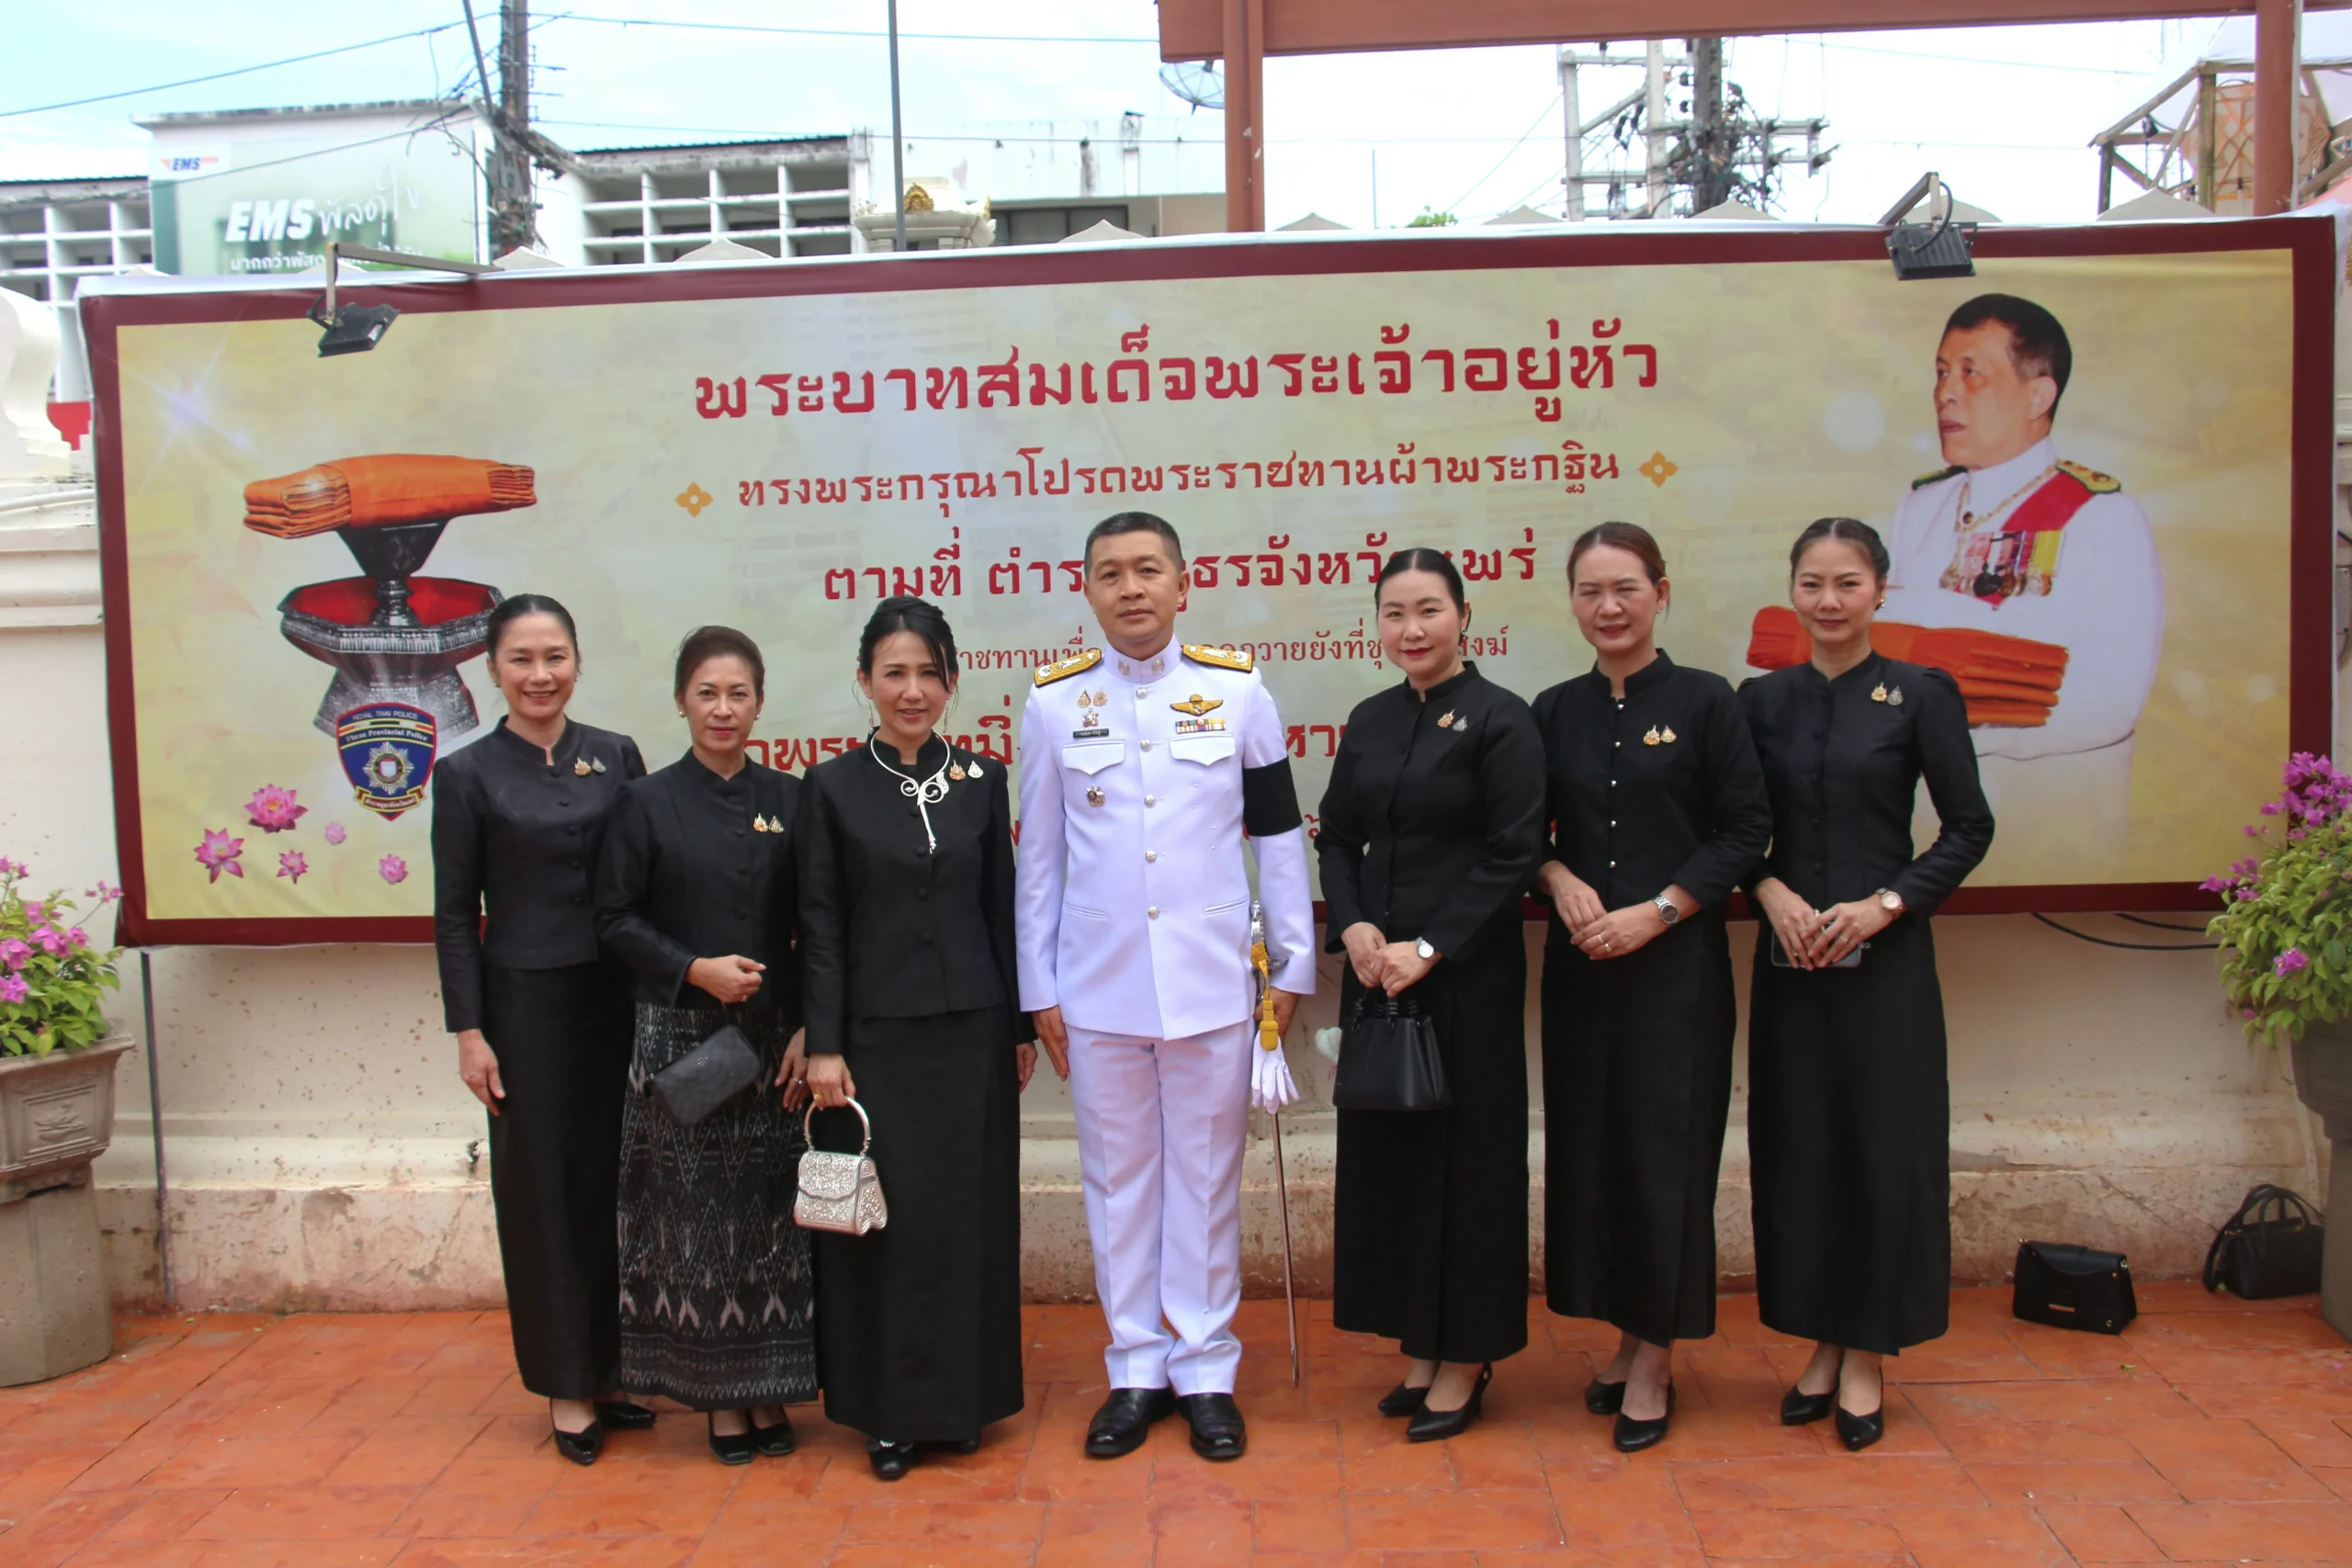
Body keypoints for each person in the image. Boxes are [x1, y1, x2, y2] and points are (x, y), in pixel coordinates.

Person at [1015, 511, 1316, 1463]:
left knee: (1205, 1180)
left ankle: (1206, 1370)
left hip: (1213, 983)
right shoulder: (1054, 703)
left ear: (1183, 585)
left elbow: (1277, 836)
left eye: (1148, 570)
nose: (1131, 588)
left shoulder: (1237, 691)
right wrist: (1038, 988)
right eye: (1111, 573)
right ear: (1088, 592)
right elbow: (1039, 862)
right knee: (1118, 1183)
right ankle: (1137, 1368)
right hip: (1096, 988)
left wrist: (1292, 965)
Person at [1741, 519, 1994, 1452]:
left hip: (1885, 966)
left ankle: (1867, 1353)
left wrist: (1886, 903)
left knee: (1881, 1152)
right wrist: (1767, 891)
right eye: (1812, 583)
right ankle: (1821, 1338)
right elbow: (1734, 830)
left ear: (1880, 590)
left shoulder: (1920, 694)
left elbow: (1968, 828)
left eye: (1847, 582)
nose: (1829, 600)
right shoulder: (1760, 701)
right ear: (1792, 592)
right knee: (1802, 1151)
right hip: (1792, 962)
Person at [1532, 523, 1772, 1454]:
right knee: (1597, 1155)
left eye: (1625, 588)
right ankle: (1627, 1334)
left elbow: (1744, 829)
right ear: (1572, 601)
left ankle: (1656, 1358)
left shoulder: (1709, 701)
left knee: (1665, 1156)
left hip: (1676, 972)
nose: (1609, 608)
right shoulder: (1554, 710)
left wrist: (1662, 909)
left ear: (1661, 594)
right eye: (1590, 591)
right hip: (1583, 970)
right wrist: (1555, 878)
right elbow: (1520, 834)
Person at [797, 597, 1042, 1482]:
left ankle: (962, 1401)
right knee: (889, 1229)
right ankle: (892, 1412)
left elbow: (1002, 909)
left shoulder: (982, 777)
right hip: (875, 1043)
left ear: (952, 681)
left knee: (967, 1217)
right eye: (893, 672)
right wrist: (825, 1044)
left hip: (973, 1035)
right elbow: (821, 925)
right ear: (865, 680)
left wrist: (1018, 1026)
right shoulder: (830, 787)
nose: (912, 690)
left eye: (929, 673)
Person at [1317, 548, 1545, 1443]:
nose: (1411, 629)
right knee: (1396, 1165)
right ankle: (1421, 1341)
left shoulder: (1501, 718)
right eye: (1394, 613)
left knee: (1468, 1165)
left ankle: (1466, 1355)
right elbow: (1338, 837)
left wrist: (1431, 944)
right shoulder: (1371, 719)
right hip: (1380, 978)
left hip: (1465, 977)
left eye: (1428, 610)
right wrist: (1356, 926)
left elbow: (1514, 850)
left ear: (1463, 616)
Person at [432, 593, 650, 1465]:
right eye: (521, 659)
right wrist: (469, 1030)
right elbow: (456, 916)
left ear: (577, 661)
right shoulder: (467, 774)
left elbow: (647, 875)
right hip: (525, 1014)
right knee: (544, 1196)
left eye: (554, 655)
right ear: (492, 669)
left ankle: (613, 1368)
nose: (540, 674)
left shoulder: (616, 754)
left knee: (616, 1186)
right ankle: (567, 1384)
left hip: (618, 1000)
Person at [594, 626, 814, 1465]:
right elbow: (615, 918)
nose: (724, 709)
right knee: (696, 1222)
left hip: (774, 1042)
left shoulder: (792, 798)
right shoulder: (645, 801)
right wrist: (695, 970)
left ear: (760, 703)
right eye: (707, 693)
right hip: (684, 1036)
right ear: (682, 701)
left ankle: (769, 1387)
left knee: (771, 1219)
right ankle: (721, 1401)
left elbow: (818, 922)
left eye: (739, 694)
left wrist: (807, 1023)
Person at [1882, 293, 2161, 843]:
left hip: (2051, 818)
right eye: (1941, 373)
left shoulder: (2102, 518)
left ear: (2038, 396)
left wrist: (1953, 732)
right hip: (1928, 822)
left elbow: (2111, 702)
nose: (1945, 393)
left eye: (1972, 373)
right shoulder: (1921, 507)